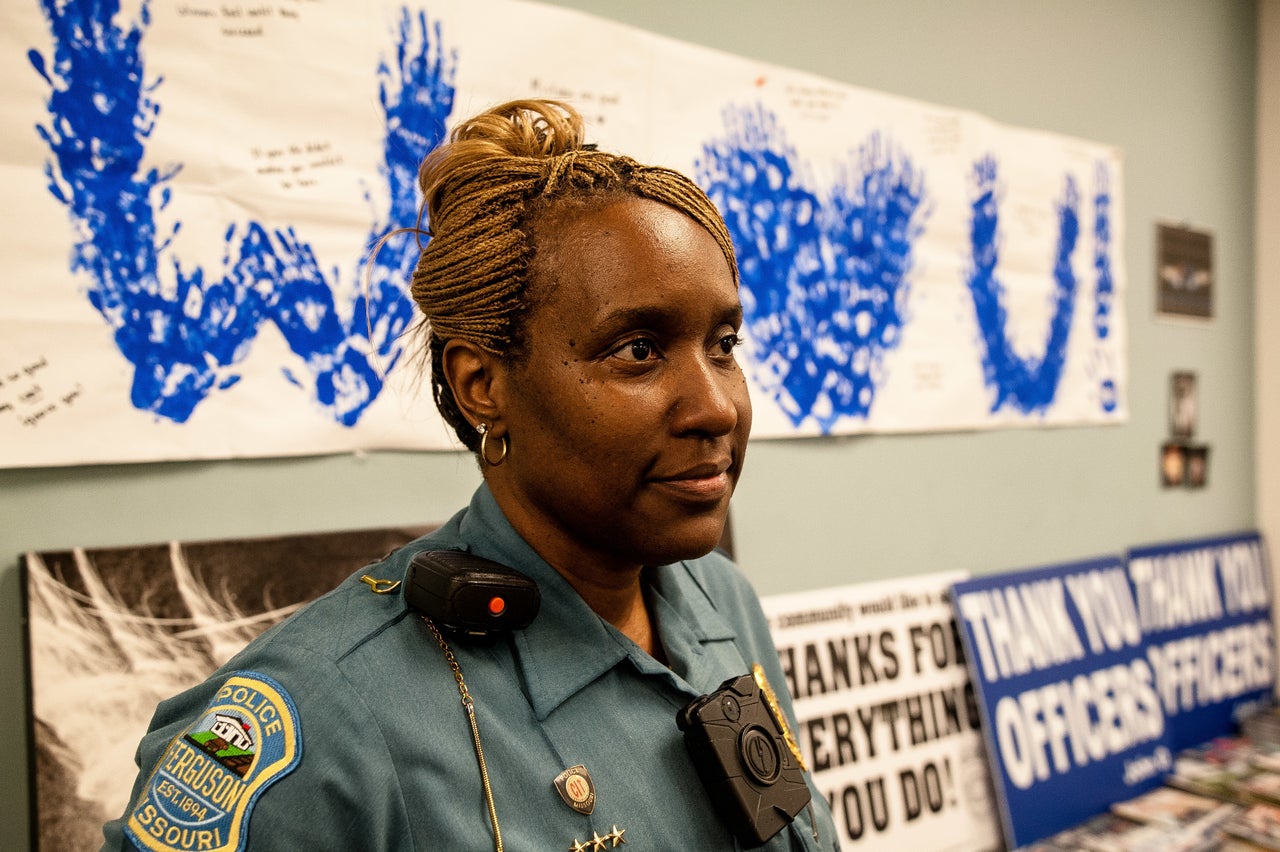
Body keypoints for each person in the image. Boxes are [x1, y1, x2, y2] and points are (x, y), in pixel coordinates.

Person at [103, 99, 839, 851]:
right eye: (639, 351)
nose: (717, 407)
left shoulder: (721, 604)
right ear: (481, 384)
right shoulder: (324, 719)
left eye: (723, 343)